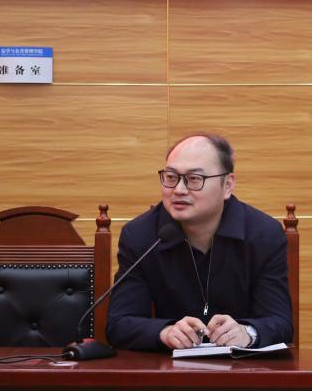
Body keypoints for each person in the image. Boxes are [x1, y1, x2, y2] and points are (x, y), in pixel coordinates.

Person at [106, 133, 293, 351]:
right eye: (171, 177)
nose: (179, 190)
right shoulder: (141, 235)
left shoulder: (264, 234)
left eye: (194, 179)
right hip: (169, 368)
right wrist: (165, 332)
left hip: (244, 367)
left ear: (227, 185)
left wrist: (247, 333)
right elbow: (119, 324)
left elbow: (280, 322)